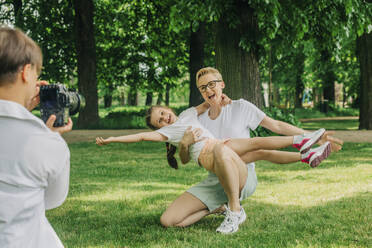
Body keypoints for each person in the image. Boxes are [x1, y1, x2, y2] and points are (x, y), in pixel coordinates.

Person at [96, 102, 332, 233]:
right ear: (158, 127)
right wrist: (112, 139)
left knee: (257, 145)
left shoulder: (189, 113)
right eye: (159, 120)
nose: (164, 118)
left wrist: (223, 97)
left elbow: (210, 100)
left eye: (163, 113)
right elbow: (138, 137)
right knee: (171, 222)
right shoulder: (166, 134)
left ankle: (301, 142)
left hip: (222, 148)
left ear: (168, 108)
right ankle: (220, 207)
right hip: (215, 154)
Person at [160, 67, 344, 234]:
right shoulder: (197, 120)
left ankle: (234, 209)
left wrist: (316, 136)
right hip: (215, 179)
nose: (208, 90)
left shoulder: (240, 107)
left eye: (212, 84)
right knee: (169, 220)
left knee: (222, 149)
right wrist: (183, 144)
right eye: (203, 88)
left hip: (243, 176)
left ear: (222, 85)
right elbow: (185, 158)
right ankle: (219, 208)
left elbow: (277, 126)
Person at [0, 27, 72, 247]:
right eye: (36, 75)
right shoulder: (46, 143)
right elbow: (52, 200)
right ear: (26, 71)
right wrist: (51, 137)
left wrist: (21, 108)